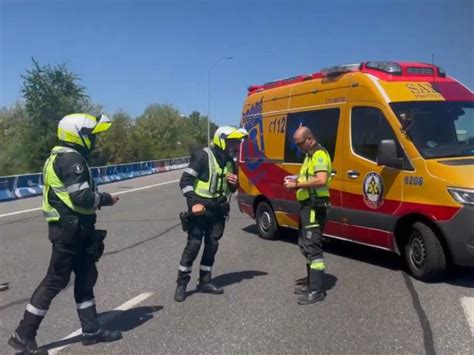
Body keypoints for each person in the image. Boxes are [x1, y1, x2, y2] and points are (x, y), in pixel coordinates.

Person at [8, 113, 122, 354]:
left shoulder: (60, 156)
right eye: (91, 135)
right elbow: (80, 197)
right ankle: (23, 334)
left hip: (75, 230)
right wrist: (106, 199)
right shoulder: (72, 160)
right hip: (69, 231)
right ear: (78, 135)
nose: (95, 140)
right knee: (55, 280)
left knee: (85, 277)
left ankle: (91, 330)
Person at [174, 126, 248, 302]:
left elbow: (231, 188)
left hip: (218, 209)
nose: (236, 146)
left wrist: (234, 183)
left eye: (237, 142)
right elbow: (185, 181)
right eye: (233, 142)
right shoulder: (203, 156)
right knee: (193, 246)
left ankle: (205, 281)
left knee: (212, 245)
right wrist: (194, 203)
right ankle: (182, 284)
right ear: (221, 140)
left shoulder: (230, 161)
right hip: (201, 209)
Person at [284, 126, 331, 305]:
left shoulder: (318, 154)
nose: (298, 147)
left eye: (300, 143)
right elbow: (308, 176)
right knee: (305, 244)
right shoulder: (309, 155)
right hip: (307, 206)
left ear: (310, 139)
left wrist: (297, 185)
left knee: (313, 247)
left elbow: (321, 180)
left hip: (315, 206)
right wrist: (295, 179)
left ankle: (317, 290)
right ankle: (311, 282)